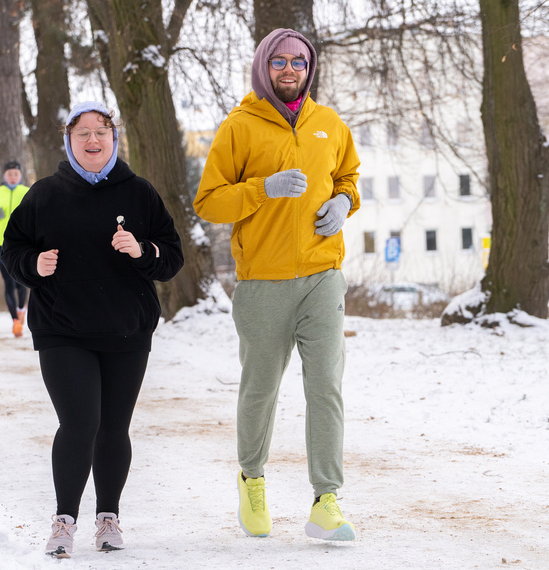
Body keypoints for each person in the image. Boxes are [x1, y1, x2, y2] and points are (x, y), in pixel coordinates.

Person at [193, 28, 361, 542]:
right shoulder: (239, 127)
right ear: (264, 66)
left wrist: (344, 203)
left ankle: (326, 500)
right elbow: (209, 202)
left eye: (300, 63)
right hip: (263, 282)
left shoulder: (328, 124)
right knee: (261, 390)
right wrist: (259, 189)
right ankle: (252, 479)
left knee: (325, 388)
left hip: (321, 277)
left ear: (310, 69)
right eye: (280, 62)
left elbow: (348, 177)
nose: (290, 71)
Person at [1, 101, 184, 558]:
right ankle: (64, 520)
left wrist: (143, 251)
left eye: (101, 132)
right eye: (82, 133)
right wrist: (33, 264)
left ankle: (108, 517)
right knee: (80, 422)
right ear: (69, 141)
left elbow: (173, 257)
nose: (92, 141)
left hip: (127, 330)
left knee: (114, 427)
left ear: (113, 139)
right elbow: (12, 250)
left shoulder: (139, 193)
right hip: (63, 330)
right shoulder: (44, 194)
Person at [0, 160, 30, 337]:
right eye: (9, 174)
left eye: (15, 174)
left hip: (22, 241)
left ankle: (21, 309)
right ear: (4, 176)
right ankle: (15, 322)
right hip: (1, 242)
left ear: (20, 176)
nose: (12, 177)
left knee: (21, 280)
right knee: (8, 282)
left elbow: (34, 212)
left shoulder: (26, 192)